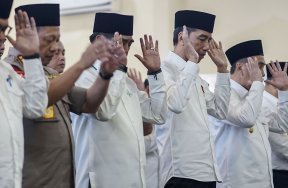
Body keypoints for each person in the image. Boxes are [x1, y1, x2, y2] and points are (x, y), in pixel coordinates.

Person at [4, 3, 120, 187]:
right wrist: (81, 64)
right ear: (28, 36)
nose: (55, 46)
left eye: (57, 39)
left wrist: (105, 74)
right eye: (49, 39)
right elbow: (40, 99)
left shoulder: (50, 74)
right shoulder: (11, 73)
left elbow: (89, 103)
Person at [71, 12, 167, 188]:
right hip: (101, 181)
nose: (126, 49)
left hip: (133, 180)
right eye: (122, 42)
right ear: (99, 40)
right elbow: (105, 112)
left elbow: (158, 115)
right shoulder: (83, 78)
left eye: (129, 43)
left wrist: (155, 73)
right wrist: (120, 69)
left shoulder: (126, 82)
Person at [155, 10, 231, 188]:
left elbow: (220, 111)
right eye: (202, 39)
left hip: (206, 173)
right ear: (182, 37)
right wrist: (192, 62)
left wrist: (222, 70)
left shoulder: (195, 74)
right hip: (181, 174)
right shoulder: (163, 70)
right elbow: (176, 104)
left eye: (209, 41)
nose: (206, 47)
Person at [214, 40, 288, 188]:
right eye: (259, 66)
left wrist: (285, 91)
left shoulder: (255, 98)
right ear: (240, 67)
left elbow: (283, 125)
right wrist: (257, 83)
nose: (262, 74)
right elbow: (246, 119)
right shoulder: (224, 95)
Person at [0, 1, 48, 187]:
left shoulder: (6, 72)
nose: (3, 37)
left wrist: (32, 57)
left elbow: (35, 107)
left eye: (5, 29)